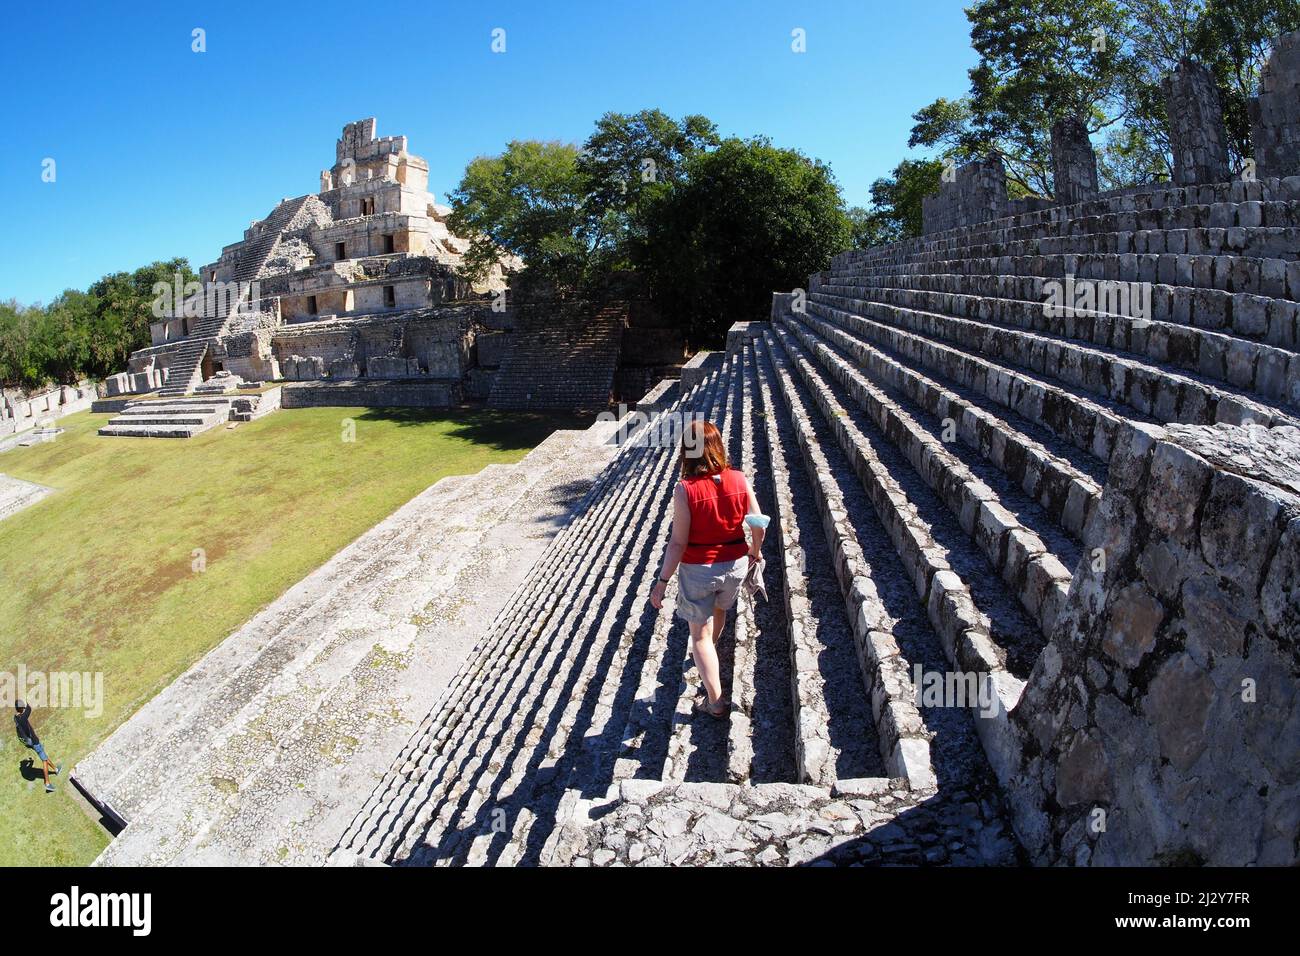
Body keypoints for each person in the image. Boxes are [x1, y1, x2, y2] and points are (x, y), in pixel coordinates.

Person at [650, 419, 769, 718]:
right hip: (735, 565)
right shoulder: (740, 479)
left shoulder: (685, 489)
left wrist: (662, 581)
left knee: (698, 636)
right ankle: (710, 655)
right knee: (719, 611)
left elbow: (677, 543)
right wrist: (755, 551)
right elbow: (759, 524)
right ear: (718, 446)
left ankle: (714, 701)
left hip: (699, 568)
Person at [14, 700, 61, 793]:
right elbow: (29, 708)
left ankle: (56, 769)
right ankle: (47, 784)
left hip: (30, 743)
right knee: (44, 760)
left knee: (44, 756)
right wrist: (26, 701)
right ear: (21, 708)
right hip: (35, 742)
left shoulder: (15, 717)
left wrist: (30, 762)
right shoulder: (23, 717)